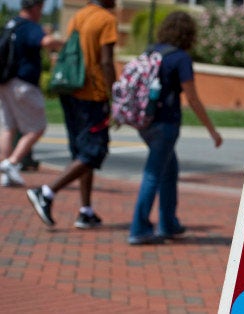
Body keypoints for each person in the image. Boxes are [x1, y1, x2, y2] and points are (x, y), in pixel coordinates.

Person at [127, 11, 223, 245]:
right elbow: (192, 98)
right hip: (165, 125)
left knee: (169, 171)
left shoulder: (151, 51)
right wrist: (212, 131)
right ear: (188, 34)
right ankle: (139, 229)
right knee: (153, 174)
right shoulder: (180, 58)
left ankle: (168, 224)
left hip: (145, 122)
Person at [27, 0, 118, 229]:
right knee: (95, 150)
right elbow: (106, 61)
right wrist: (115, 96)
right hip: (92, 95)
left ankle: (85, 211)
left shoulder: (80, 15)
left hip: (71, 91)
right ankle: (46, 193)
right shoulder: (106, 19)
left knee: (80, 152)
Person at [0, 0, 63, 187]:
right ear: (35, 7)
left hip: (4, 82)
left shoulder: (11, 24)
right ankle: (11, 163)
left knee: (7, 128)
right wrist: (64, 43)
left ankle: (5, 170)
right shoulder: (29, 27)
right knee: (37, 127)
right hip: (22, 84)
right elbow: (46, 41)